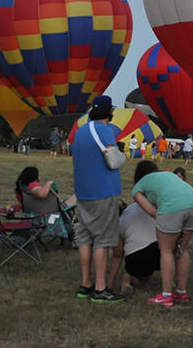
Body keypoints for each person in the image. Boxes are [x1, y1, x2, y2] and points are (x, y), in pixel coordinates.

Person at [70, 95, 125, 303]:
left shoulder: (81, 131)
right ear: (109, 111)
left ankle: (86, 284)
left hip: (83, 192)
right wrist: (123, 156)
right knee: (102, 240)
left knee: (85, 238)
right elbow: (112, 161)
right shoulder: (104, 130)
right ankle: (101, 288)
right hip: (102, 191)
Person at [132, 159, 193, 308]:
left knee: (166, 251)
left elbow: (153, 212)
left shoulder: (138, 187)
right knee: (182, 249)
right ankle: (181, 292)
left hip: (172, 207)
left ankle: (166, 295)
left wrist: (167, 222)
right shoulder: (168, 174)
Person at [108, 161, 161, 296]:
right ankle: (175, 285)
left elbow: (117, 254)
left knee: (140, 281)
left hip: (138, 257)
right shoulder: (162, 206)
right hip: (161, 250)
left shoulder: (125, 215)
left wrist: (109, 283)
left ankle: (130, 278)